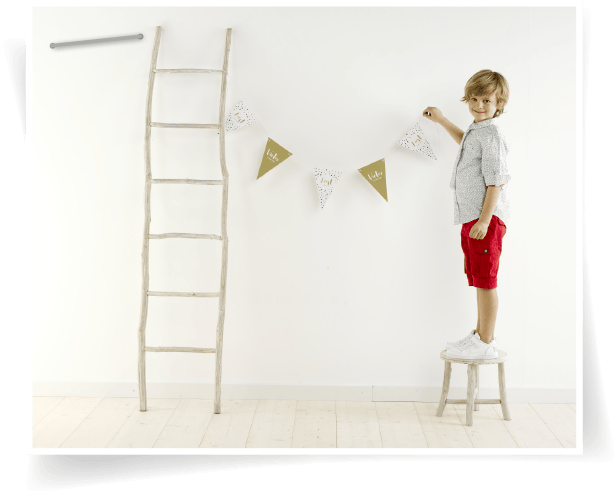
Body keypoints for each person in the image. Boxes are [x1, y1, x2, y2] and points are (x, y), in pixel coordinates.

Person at [423, 69, 511, 360]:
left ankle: (486, 342)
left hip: (485, 218)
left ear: (499, 103)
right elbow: (465, 143)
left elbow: (495, 181)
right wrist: (442, 120)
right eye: (474, 99)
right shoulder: (478, 129)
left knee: (486, 281)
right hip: (472, 216)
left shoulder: (492, 134)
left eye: (486, 100)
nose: (478, 105)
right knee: (478, 277)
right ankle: (480, 335)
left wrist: (485, 221)